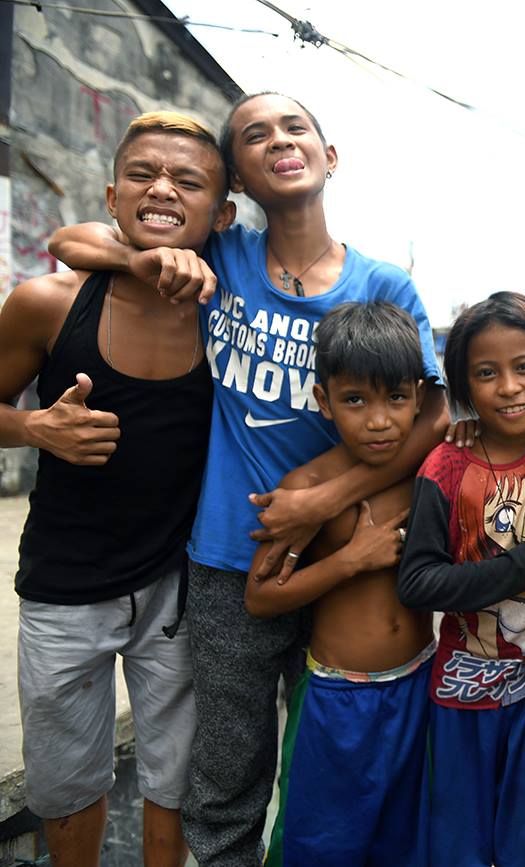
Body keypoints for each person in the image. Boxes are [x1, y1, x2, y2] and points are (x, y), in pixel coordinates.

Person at [47, 91, 448, 865]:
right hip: (230, 555)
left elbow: (431, 413)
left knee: (329, 752)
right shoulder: (220, 257)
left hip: (342, 554)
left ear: (330, 156)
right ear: (235, 183)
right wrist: (142, 258)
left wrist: (322, 501)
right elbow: (74, 239)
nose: (279, 140)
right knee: (229, 763)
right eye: (255, 135)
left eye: (295, 127)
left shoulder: (382, 284)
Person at [1, 111, 233, 867]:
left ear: (221, 215)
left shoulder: (229, 314)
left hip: (179, 585)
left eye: (187, 180)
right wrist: (37, 429)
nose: (162, 188)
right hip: (65, 586)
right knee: (66, 782)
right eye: (142, 174)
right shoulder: (48, 301)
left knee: (174, 773)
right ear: (112, 196)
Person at [243, 302, 432, 866]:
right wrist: (351, 560)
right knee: (319, 842)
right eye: (355, 401)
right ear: (324, 401)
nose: (379, 421)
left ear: (419, 397)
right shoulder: (308, 488)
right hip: (336, 697)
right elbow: (260, 596)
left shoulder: (432, 468)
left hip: (420, 684)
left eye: (395, 398)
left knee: (405, 842)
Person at [396, 292, 525, 866]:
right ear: (465, 385)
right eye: (486, 373)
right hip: (462, 694)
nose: (509, 387)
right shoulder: (446, 466)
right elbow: (418, 583)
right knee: (458, 846)